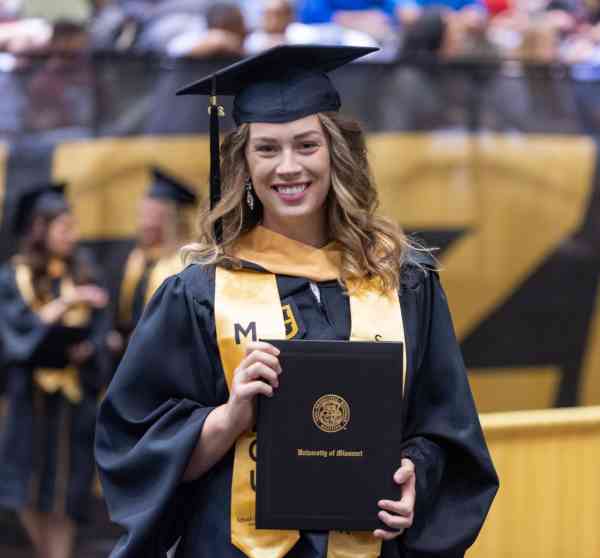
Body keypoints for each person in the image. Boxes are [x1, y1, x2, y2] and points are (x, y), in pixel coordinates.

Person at [95, 45, 498, 558]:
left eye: (306, 145)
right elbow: (131, 448)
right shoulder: (197, 292)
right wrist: (229, 416)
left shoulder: (404, 282)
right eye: (267, 148)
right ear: (242, 161)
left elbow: (445, 428)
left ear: (336, 152)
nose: (288, 167)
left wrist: (416, 473)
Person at [0, 181, 110, 558]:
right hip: (30, 403)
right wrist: (67, 304)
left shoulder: (82, 273)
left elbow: (101, 336)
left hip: (72, 403)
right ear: (40, 229)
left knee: (65, 492)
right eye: (63, 227)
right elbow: (15, 336)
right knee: (26, 488)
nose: (71, 235)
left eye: (72, 226)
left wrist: (89, 347)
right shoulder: (14, 278)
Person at [116, 166, 198, 340]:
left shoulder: (188, 260)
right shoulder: (137, 258)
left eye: (151, 216)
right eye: (141, 215)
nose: (143, 223)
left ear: (170, 221)